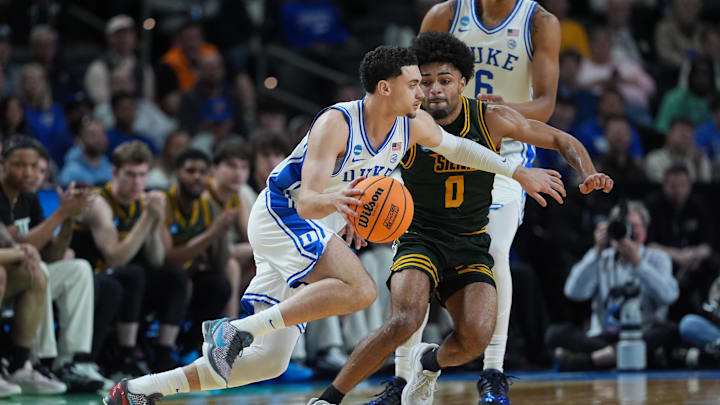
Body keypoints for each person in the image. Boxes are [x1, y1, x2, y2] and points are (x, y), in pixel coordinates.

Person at [103, 44, 567, 405]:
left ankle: (140, 390)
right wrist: (338, 201)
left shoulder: (412, 125)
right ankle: (232, 331)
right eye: (412, 84)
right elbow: (306, 200)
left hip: (316, 227)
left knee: (267, 362)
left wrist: (516, 171)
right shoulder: (337, 123)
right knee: (362, 289)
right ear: (385, 88)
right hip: (281, 215)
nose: (422, 91)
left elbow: (458, 148)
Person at [328, 31, 612, 405]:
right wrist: (350, 209)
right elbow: (355, 169)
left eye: (445, 81)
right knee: (405, 317)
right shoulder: (406, 125)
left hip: (468, 241)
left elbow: (561, 139)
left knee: (476, 337)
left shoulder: (491, 119)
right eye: (425, 82)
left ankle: (427, 361)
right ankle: (338, 397)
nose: (435, 91)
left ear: (463, 83)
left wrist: (587, 171)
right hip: (420, 236)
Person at [419, 0, 561, 401]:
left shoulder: (539, 22)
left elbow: (545, 105)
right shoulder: (444, 15)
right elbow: (413, 89)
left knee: (495, 250)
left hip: (505, 154)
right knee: (411, 255)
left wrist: (490, 111)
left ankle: (494, 370)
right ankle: (402, 374)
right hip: (441, 149)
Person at [0, 136, 108, 392]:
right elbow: (21, 246)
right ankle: (33, 360)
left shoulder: (29, 198)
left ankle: (69, 362)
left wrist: (70, 219)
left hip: (15, 275)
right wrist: (61, 213)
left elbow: (52, 255)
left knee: (78, 269)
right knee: (35, 269)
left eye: (34, 167)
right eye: (19, 165)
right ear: (2, 164)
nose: (28, 173)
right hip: (6, 274)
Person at [70, 141, 185, 375]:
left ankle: (163, 354)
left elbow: (156, 259)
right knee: (132, 274)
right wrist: (145, 219)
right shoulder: (98, 202)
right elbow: (114, 257)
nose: (137, 182)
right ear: (115, 173)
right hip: (90, 277)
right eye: (130, 175)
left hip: (128, 280)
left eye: (142, 175)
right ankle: (126, 355)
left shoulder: (143, 202)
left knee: (175, 275)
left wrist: (154, 223)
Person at [546, 201, 680, 371]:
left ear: (645, 231)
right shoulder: (600, 258)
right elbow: (573, 293)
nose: (627, 232)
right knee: (555, 334)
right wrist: (597, 249)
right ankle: (619, 358)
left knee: (671, 331)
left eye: (634, 226)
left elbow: (669, 296)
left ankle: (589, 361)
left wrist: (638, 263)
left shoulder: (657, 258)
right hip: (604, 336)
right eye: (621, 226)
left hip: (643, 334)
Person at [161, 148, 234, 354]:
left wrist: (221, 233)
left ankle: (190, 346)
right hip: (161, 275)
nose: (197, 177)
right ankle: (162, 350)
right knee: (178, 277)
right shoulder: (164, 202)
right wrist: (211, 234)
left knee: (219, 284)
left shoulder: (207, 206)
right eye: (190, 171)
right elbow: (168, 258)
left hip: (188, 274)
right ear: (177, 173)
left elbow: (219, 263)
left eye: (202, 172)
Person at [204, 138, 254, 317]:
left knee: (267, 260)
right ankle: (229, 331)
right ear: (214, 168)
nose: (238, 173)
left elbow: (251, 236)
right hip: (202, 257)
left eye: (244, 167)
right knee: (231, 265)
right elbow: (208, 249)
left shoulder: (238, 194)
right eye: (232, 166)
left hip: (229, 254)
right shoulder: (204, 193)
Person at [58, 119, 113, 187]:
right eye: (92, 135)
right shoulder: (70, 172)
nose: (98, 139)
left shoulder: (110, 168)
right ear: (80, 139)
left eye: (102, 134)